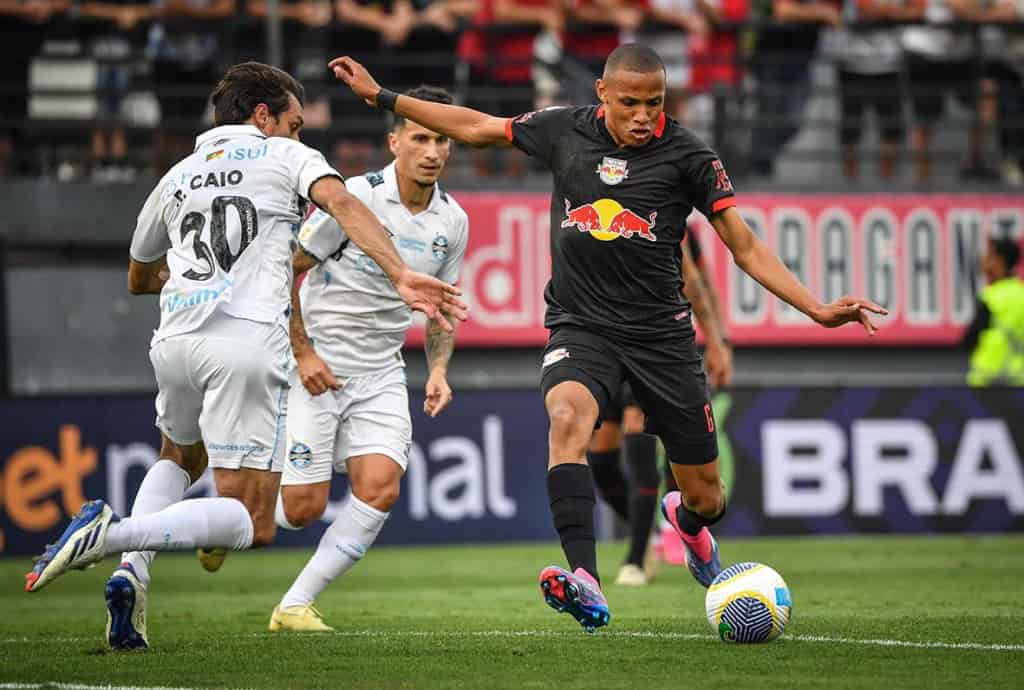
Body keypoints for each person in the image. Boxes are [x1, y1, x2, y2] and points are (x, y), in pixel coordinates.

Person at [330, 43, 885, 632]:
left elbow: (743, 244)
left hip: (661, 337)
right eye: (630, 103)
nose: (643, 115)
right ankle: (586, 580)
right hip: (582, 325)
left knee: (708, 497)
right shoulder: (563, 130)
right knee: (566, 418)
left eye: (654, 103)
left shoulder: (690, 156)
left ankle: (687, 524)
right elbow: (475, 125)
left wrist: (816, 308)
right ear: (602, 94)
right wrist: (381, 96)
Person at [23, 63, 466, 653]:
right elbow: (339, 202)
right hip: (248, 346)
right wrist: (400, 273)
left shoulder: (177, 174)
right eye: (295, 123)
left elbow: (138, 277)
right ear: (264, 116)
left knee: (179, 457)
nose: (299, 134)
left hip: (175, 341)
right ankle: (111, 536)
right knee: (252, 521)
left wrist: (205, 280)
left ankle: (132, 572)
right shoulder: (284, 155)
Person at [263, 86, 468, 632]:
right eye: (420, 138)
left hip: (380, 371)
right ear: (394, 142)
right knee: (300, 510)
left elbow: (440, 307)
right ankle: (231, 512)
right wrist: (302, 351)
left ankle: (294, 605)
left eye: (441, 140)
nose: (432, 151)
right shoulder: (356, 197)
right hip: (319, 366)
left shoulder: (453, 220)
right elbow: (285, 268)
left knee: (380, 487)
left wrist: (439, 370)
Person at [588, 230, 732, 587]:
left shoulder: (671, 223)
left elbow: (699, 282)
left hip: (651, 344)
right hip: (601, 344)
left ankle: (637, 557)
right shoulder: (590, 217)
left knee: (641, 433)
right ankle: (654, 532)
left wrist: (718, 340)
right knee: (601, 460)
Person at [962, 236, 1024, 386]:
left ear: (999, 262)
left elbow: (970, 340)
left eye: (989, 256)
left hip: (987, 381)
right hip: (1019, 381)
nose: (983, 261)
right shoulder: (1021, 293)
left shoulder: (992, 298)